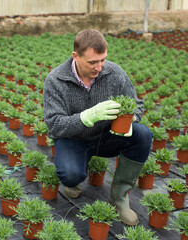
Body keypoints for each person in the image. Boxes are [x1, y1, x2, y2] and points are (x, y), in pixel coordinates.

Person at [43, 29, 152, 226]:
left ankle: (119, 198)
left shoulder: (114, 72)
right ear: (75, 56)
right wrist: (87, 117)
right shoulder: (56, 80)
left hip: (107, 136)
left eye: (102, 60)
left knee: (143, 134)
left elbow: (136, 103)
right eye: (93, 62)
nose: (99, 67)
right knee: (70, 175)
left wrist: (132, 118)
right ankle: (76, 173)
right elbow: (54, 125)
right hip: (73, 139)